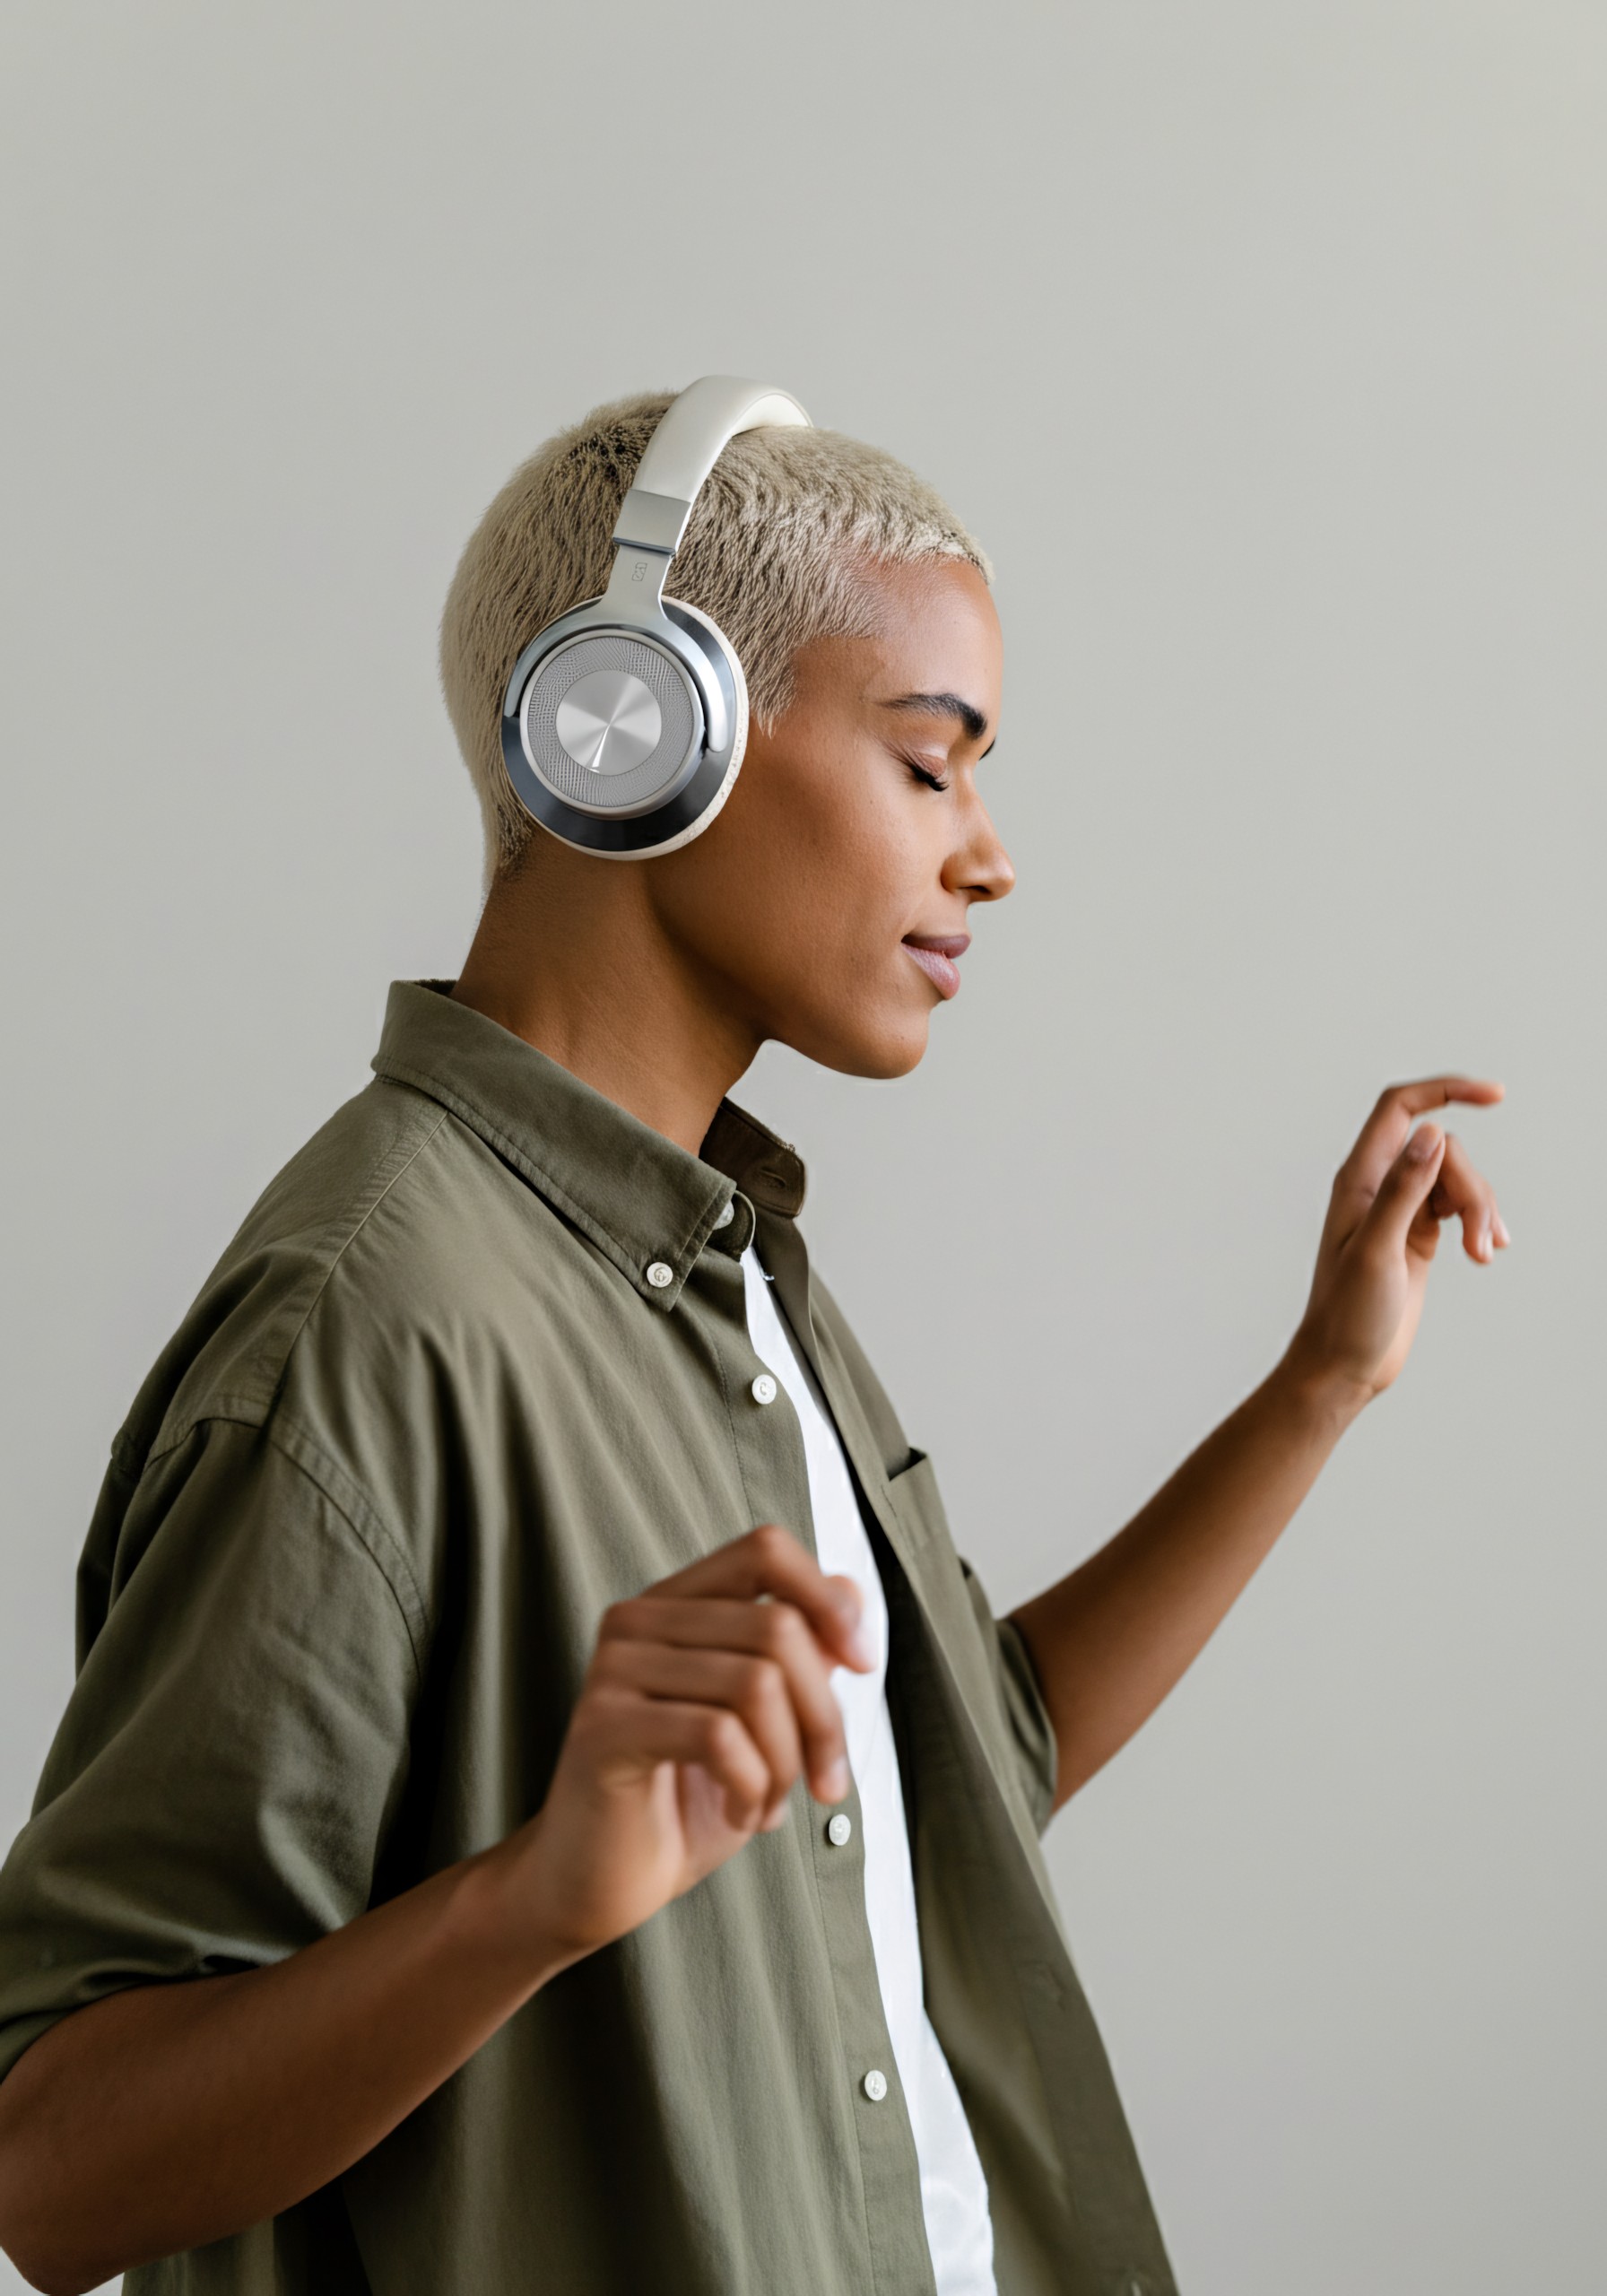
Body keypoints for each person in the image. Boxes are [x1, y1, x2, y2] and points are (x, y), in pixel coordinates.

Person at [0, 381, 1506, 2296]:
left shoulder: (718, 1267)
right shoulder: (368, 1321)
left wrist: (1316, 1387)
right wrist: (532, 1896)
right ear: (631, 731)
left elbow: (967, 1758)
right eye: (929, 762)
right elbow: (54, 2159)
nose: (989, 856)